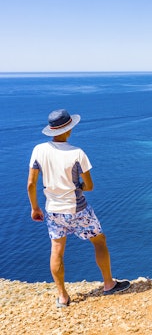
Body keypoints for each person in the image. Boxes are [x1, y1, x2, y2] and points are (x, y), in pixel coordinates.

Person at [27, 109, 130, 308]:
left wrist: (35, 208)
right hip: (77, 209)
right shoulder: (77, 153)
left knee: (57, 249)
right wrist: (78, 187)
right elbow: (89, 186)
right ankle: (109, 284)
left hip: (53, 210)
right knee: (99, 241)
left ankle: (62, 297)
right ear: (70, 129)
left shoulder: (38, 150)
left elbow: (31, 184)